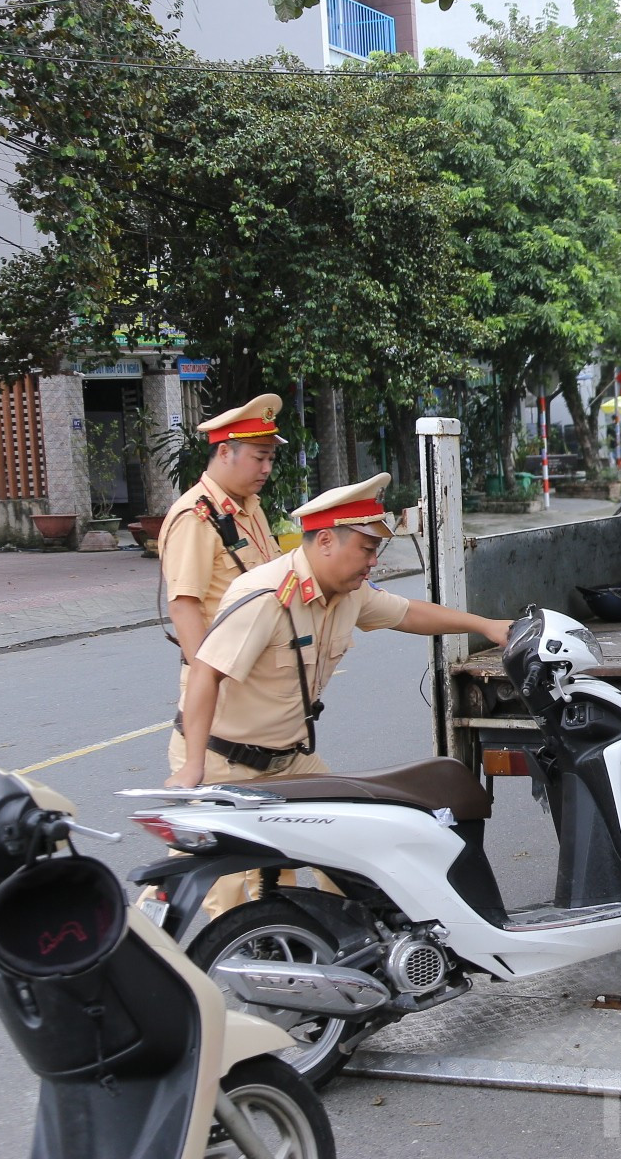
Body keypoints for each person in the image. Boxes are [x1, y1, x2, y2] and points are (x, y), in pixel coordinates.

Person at [164, 472, 512, 917]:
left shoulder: (349, 593)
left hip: (290, 761)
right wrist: (194, 767)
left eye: (375, 550)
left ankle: (353, 957)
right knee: (218, 889)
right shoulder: (268, 597)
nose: (373, 562)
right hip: (222, 761)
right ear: (326, 541)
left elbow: (408, 613)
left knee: (350, 856)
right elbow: (204, 675)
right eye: (366, 549)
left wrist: (483, 626)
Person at [157, 393, 286, 667]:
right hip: (225, 677)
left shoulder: (251, 506)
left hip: (260, 670)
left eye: (271, 459)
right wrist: (207, 683)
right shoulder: (195, 517)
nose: (267, 469)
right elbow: (183, 606)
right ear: (225, 452)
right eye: (259, 458)